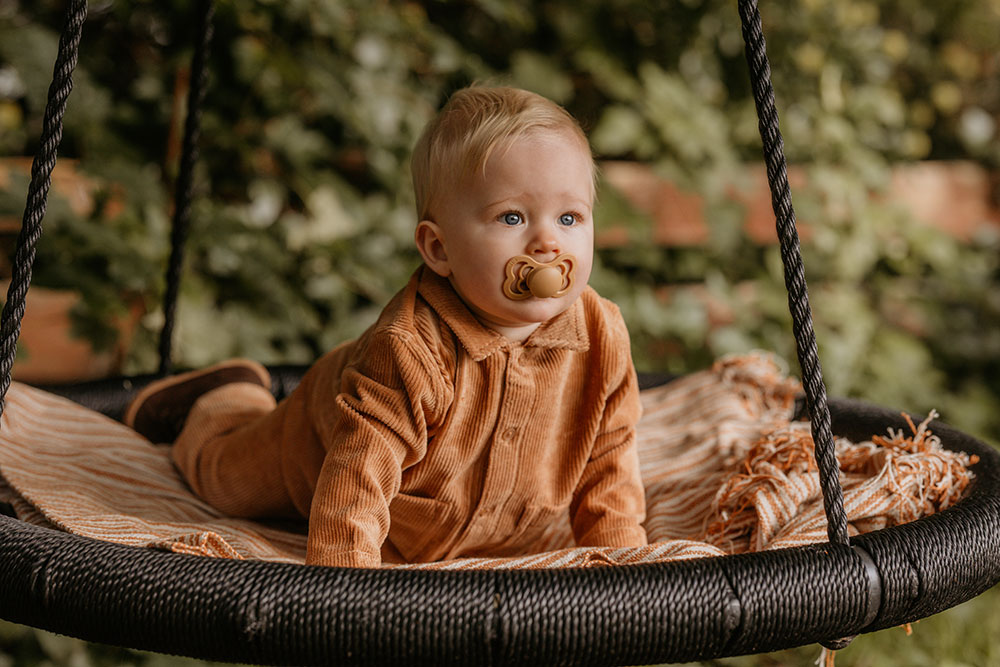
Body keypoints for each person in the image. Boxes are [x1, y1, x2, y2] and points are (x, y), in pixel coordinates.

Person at [125, 85, 648, 568]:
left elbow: (609, 460)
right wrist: (346, 594)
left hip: (474, 531)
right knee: (221, 479)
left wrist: (624, 563)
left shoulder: (602, 335)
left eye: (570, 218)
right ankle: (226, 397)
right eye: (512, 218)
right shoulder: (410, 350)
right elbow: (357, 479)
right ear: (439, 249)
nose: (547, 244)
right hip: (315, 441)